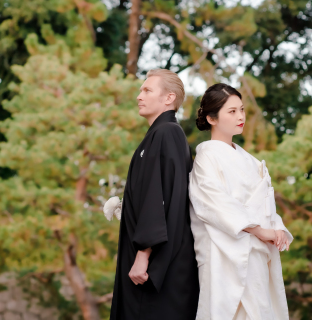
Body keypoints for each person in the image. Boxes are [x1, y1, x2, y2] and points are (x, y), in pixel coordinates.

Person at [188, 83, 292, 320]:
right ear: (212, 118)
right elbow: (215, 204)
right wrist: (258, 230)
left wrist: (277, 228)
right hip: (225, 252)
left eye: (242, 110)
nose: (241, 116)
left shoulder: (252, 161)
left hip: (257, 250)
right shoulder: (206, 157)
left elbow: (265, 204)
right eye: (232, 112)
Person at [109, 69, 199, 320]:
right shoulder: (160, 135)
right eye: (141, 90)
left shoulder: (167, 132)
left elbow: (159, 197)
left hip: (157, 263)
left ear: (169, 98)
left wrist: (143, 254)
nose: (139, 95)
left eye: (147, 90)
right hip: (156, 257)